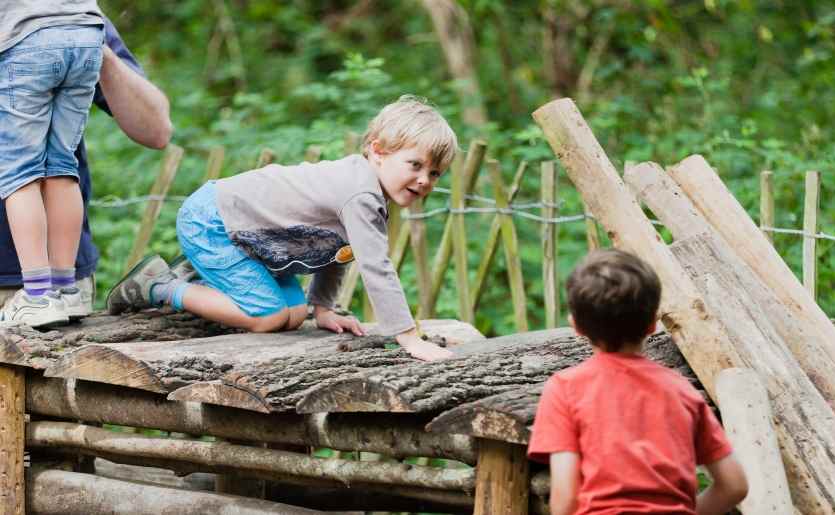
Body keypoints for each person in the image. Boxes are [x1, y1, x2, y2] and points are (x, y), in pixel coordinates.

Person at [107, 96, 455, 362]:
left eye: (435, 173)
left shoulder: (367, 189)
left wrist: (322, 308)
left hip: (247, 238)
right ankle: (161, 286)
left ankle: (209, 276)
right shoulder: (361, 193)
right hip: (213, 222)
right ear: (378, 151)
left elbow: (340, 250)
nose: (424, 179)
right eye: (415, 165)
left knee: (293, 315)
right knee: (269, 317)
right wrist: (408, 338)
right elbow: (375, 266)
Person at [527, 249, 748, 515]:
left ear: (576, 326)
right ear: (652, 325)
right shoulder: (680, 390)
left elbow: (565, 499)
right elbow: (734, 485)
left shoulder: (565, 389)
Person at [0, 12, 173, 324]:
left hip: (46, 280)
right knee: (58, 166)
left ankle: (45, 292)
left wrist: (96, 50)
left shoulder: (67, 13)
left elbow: (157, 130)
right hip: (57, 280)